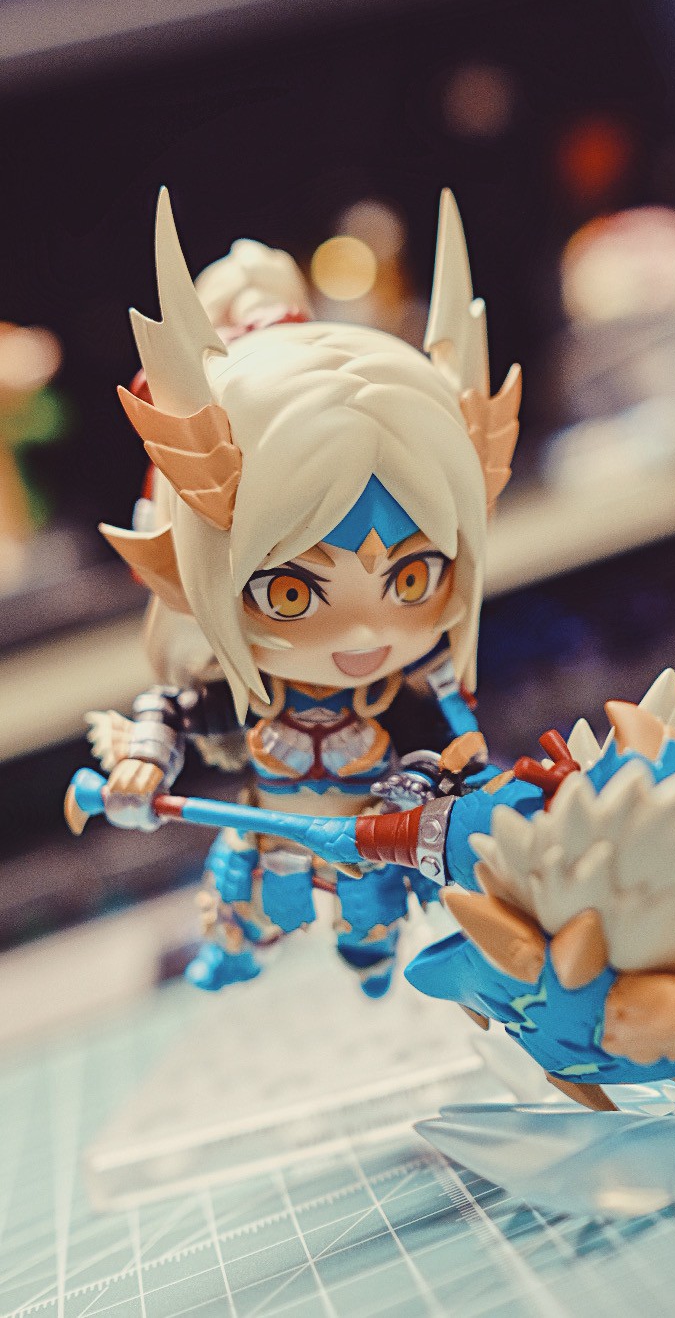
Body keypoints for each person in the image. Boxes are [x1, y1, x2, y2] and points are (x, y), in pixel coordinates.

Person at [84, 187, 520, 996]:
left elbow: (450, 751)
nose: (366, 631)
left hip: (369, 853)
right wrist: (142, 764)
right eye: (291, 593)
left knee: (372, 931)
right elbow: (173, 712)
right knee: (245, 904)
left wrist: (419, 787)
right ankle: (240, 946)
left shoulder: (402, 692)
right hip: (272, 844)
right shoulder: (253, 694)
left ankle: (371, 957)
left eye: (411, 578)